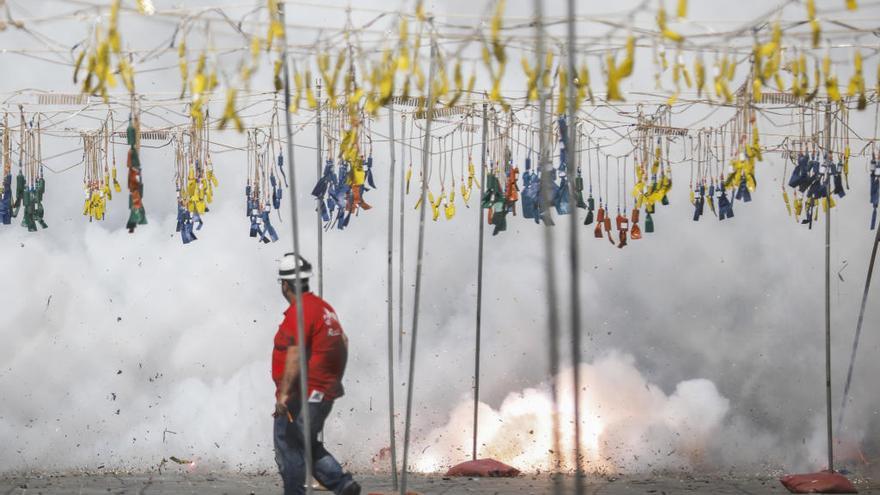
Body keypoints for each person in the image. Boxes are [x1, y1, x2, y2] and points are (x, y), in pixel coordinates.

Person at [272, 253, 361, 495]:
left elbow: (294, 355)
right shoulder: (323, 308)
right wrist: (332, 380)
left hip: (303, 394)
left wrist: (283, 396)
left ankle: (305, 491)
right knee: (304, 442)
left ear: (285, 284)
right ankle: (343, 485)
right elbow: (343, 341)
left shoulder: (299, 311)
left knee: (289, 444)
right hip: (321, 391)